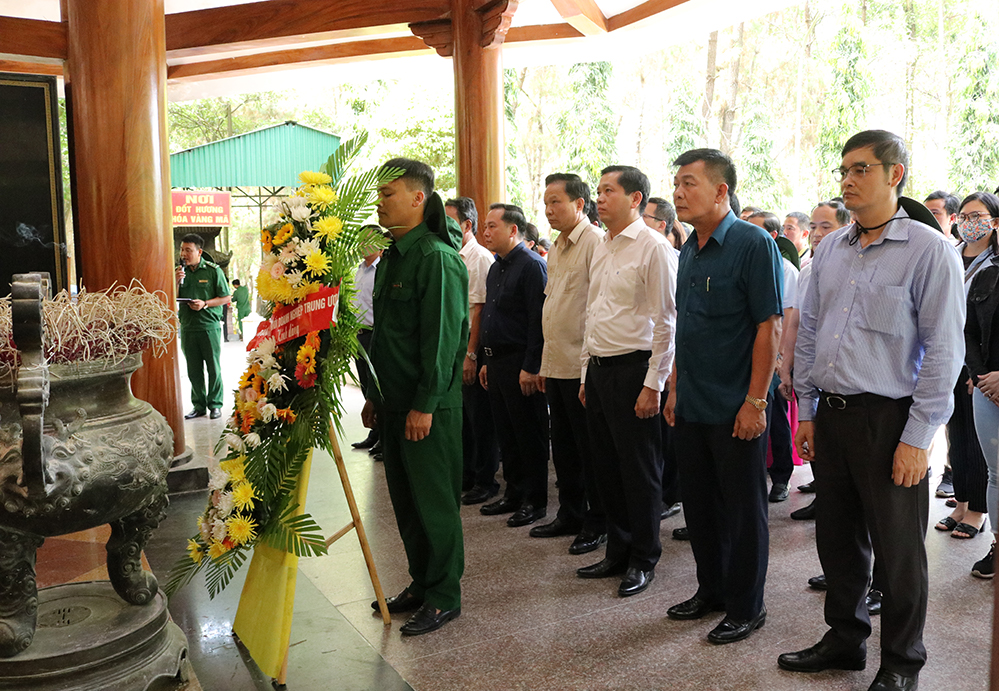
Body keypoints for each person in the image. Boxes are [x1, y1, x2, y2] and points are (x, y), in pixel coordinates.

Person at [783, 130, 964, 691]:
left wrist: (918, 438)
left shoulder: (928, 250)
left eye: (862, 169)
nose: (847, 180)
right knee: (836, 538)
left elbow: (944, 351)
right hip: (832, 416)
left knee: (899, 549)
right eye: (843, 170)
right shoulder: (832, 248)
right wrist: (807, 410)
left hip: (890, 421)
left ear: (895, 175)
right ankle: (844, 640)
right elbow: (810, 332)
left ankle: (902, 663)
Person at [663, 149, 782, 645]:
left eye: (689, 183)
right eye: (676, 185)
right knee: (701, 507)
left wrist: (756, 403)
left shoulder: (753, 244)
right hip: (692, 403)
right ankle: (710, 589)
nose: (678, 194)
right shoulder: (690, 247)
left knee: (743, 510)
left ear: (720, 191)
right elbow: (683, 328)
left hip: (736, 407)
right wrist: (673, 389)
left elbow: (768, 327)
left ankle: (746, 605)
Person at [361, 157, 469, 636]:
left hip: (429, 407)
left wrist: (424, 404)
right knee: (405, 504)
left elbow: (443, 341)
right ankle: (422, 583)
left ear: (418, 198)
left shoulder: (436, 258)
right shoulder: (394, 255)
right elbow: (386, 336)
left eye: (388, 194)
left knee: (434, 504)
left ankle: (445, 595)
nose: (380, 202)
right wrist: (376, 398)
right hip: (396, 403)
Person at [576, 165, 677, 598]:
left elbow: (667, 320)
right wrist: (585, 372)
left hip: (634, 370)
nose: (600, 198)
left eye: (608, 191)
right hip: (599, 370)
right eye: (597, 190)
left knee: (639, 469)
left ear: (635, 199)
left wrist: (654, 383)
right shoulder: (602, 246)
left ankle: (643, 558)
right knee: (607, 467)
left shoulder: (653, 248)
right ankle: (617, 550)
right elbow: (593, 312)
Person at [531, 173, 607, 554]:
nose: (549, 209)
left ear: (580, 204)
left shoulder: (594, 242)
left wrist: (583, 372)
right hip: (556, 363)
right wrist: (545, 363)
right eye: (546, 202)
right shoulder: (557, 246)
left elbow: (593, 310)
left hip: (581, 366)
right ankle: (570, 513)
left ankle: (597, 521)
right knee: (562, 447)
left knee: (589, 450)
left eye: (556, 201)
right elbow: (554, 307)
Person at [477, 203, 550, 528]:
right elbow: (491, 316)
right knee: (506, 433)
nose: (486, 232)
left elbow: (538, 321)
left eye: (493, 226)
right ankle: (513, 492)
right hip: (496, 361)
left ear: (512, 230)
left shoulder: (532, 266)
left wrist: (531, 365)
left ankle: (534, 501)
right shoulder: (496, 267)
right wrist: (483, 359)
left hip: (520, 361)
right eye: (485, 226)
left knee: (528, 434)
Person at [779, 199, 851, 513]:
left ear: (846, 227)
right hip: (811, 367)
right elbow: (796, 321)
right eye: (814, 227)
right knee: (814, 433)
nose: (817, 234)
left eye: (826, 226)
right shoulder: (808, 270)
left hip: (841, 376)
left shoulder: (849, 267)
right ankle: (824, 493)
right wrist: (786, 362)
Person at [934, 192, 993, 543]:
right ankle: (962, 501)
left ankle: (978, 511)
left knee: (974, 440)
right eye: (965, 216)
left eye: (979, 216)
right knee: (955, 437)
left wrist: (977, 369)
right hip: (948, 358)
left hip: (976, 365)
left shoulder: (994, 264)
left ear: (994, 221)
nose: (971, 223)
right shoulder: (951, 254)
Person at [446, 196, 500, 505]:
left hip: (472, 347)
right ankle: (466, 473)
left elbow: (478, 310)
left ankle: (485, 480)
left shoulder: (478, 257)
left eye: (450, 221)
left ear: (467, 225)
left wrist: (470, 354)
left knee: (480, 419)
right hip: (456, 345)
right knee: (463, 418)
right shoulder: (452, 255)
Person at [961, 191, 999, 578]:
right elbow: (970, 331)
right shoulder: (990, 273)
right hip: (989, 388)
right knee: (996, 473)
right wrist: (979, 376)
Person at [176, 233, 231, 420]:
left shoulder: (213, 271)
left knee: (213, 368)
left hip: (209, 326)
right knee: (193, 369)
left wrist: (205, 303)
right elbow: (169, 296)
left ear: (199, 252)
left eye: (188, 250)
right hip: (188, 327)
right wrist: (175, 281)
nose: (183, 254)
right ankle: (198, 405)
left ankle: (215, 404)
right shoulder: (178, 272)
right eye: (182, 249)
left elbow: (226, 297)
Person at [349, 228, 385, 459]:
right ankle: (373, 432)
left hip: (375, 335)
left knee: (378, 388)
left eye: (366, 240)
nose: (362, 245)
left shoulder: (382, 269)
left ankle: (384, 438)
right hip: (358, 335)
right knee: (365, 385)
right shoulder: (359, 271)